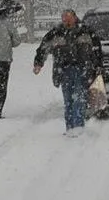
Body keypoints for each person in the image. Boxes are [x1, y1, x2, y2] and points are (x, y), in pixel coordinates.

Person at [33, 9, 103, 137]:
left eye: (69, 18)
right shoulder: (56, 32)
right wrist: (38, 63)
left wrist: (98, 66)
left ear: (75, 17)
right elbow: (44, 47)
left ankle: (78, 127)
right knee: (68, 100)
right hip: (64, 70)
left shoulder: (86, 31)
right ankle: (70, 128)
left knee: (79, 99)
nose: (66, 20)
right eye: (64, 18)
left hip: (82, 70)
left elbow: (97, 50)